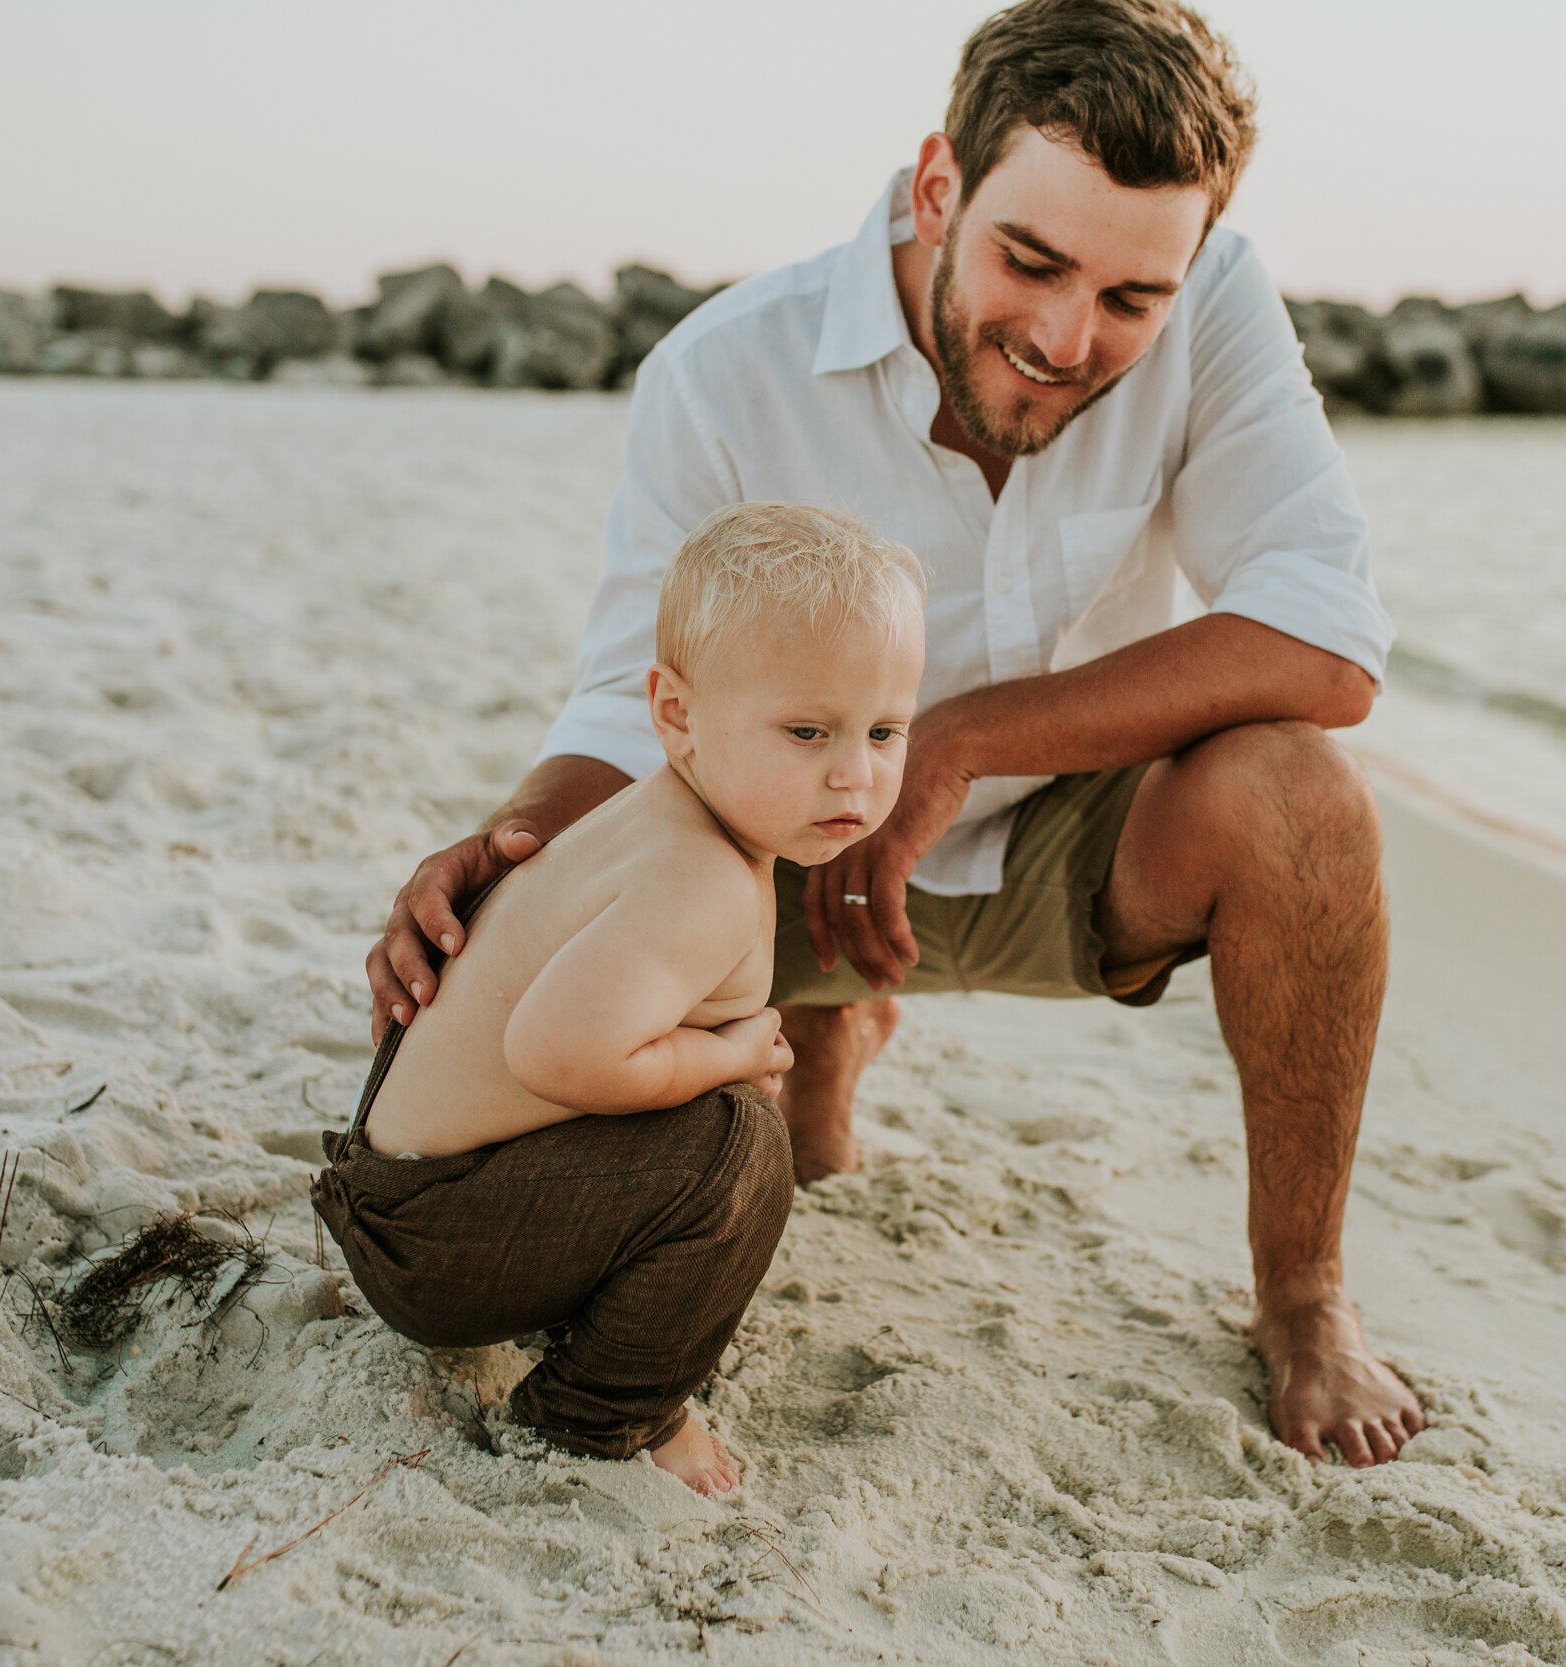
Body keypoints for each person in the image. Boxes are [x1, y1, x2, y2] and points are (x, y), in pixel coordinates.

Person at [366, 0, 1431, 1467]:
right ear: (940, 187)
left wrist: (963, 740)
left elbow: (1327, 637)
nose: (1069, 338)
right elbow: (633, 695)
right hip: (787, 857)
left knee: (1309, 794)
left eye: (1132, 297)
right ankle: (823, 1032)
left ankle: (1304, 1296)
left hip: (1072, 829)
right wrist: (517, 848)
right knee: (563, 953)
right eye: (1031, 261)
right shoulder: (725, 368)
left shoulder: (1219, 300)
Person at [316, 502, 928, 1495]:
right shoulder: (701, 879)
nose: (853, 771)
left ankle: (577, 1304)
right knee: (734, 1146)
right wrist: (731, 1060)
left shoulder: (657, 817)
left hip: (408, 1188)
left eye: (885, 728)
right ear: (675, 712)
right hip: (431, 1242)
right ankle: (600, 1414)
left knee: (695, 1110)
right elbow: (558, 1052)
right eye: (806, 730)